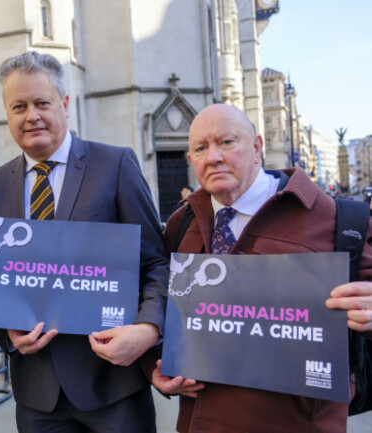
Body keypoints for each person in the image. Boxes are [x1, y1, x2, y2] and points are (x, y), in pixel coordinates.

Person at [0, 51, 170, 433]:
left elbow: (157, 263)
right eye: (19, 106)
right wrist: (8, 337)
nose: (31, 115)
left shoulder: (114, 165)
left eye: (41, 103)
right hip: (36, 397)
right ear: (7, 114)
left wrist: (148, 329)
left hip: (114, 386)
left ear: (64, 104)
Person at [150, 103, 372, 433]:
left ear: (257, 148)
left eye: (227, 142)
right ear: (191, 160)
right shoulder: (181, 224)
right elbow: (156, 299)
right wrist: (152, 365)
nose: (213, 157)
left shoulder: (340, 220)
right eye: (200, 148)